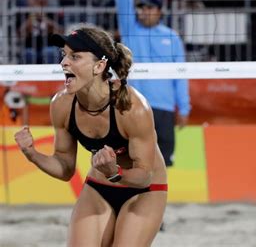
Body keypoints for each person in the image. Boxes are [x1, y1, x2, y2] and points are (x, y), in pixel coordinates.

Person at [14, 25, 167, 246]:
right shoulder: (61, 104)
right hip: (100, 185)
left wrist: (115, 172)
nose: (64, 62)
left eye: (74, 56)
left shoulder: (132, 107)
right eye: (64, 55)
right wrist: (32, 154)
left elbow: (144, 175)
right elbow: (65, 169)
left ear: (99, 66)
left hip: (144, 190)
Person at [115, 0, 190, 167]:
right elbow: (123, 3)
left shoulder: (172, 37)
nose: (144, 11)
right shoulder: (130, 31)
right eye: (141, 7)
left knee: (162, 163)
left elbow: (181, 75)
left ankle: (155, 193)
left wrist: (184, 108)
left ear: (159, 11)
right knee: (133, 161)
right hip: (135, 106)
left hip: (164, 108)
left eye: (149, 7)